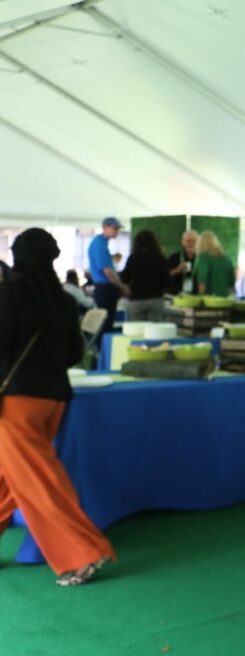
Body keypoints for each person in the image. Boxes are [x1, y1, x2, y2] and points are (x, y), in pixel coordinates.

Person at [0, 228, 115, 586]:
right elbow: (72, 354)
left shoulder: (8, 295)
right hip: (53, 400)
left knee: (39, 481)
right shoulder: (64, 300)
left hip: (15, 403)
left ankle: (84, 553)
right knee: (9, 477)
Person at [87, 217, 129, 335]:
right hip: (104, 289)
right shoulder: (98, 244)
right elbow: (107, 272)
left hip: (106, 288)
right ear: (105, 227)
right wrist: (122, 286)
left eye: (118, 229)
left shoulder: (102, 243)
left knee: (107, 323)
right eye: (114, 228)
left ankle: (103, 350)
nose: (117, 232)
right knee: (105, 325)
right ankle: (103, 351)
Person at [120, 229, 170, 322]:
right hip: (156, 298)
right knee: (155, 331)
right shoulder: (161, 258)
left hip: (137, 299)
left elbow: (124, 279)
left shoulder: (133, 258)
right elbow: (167, 280)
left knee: (137, 331)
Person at [193, 230, 235, 297]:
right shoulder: (227, 259)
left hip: (209, 300)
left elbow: (202, 281)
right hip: (226, 299)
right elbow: (231, 283)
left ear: (200, 244)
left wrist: (200, 298)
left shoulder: (203, 258)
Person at [167, 230, 199, 295]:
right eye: (188, 241)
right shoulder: (174, 257)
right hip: (175, 296)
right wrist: (177, 270)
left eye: (194, 241)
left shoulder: (201, 259)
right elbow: (165, 276)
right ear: (183, 242)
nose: (191, 244)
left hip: (196, 296)